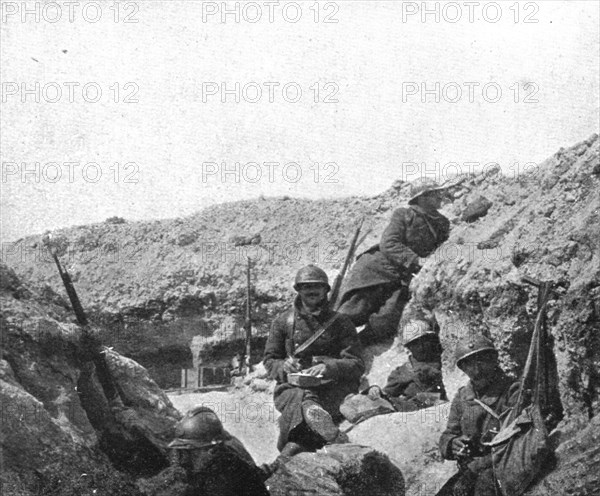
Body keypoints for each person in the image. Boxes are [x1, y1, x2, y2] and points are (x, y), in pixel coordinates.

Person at [263, 264, 364, 463]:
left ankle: (287, 453)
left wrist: (330, 367)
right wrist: (283, 366)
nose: (311, 291)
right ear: (298, 290)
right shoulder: (282, 322)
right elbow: (270, 359)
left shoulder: (341, 322)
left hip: (331, 388)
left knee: (302, 407)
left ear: (326, 290)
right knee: (299, 398)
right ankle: (320, 425)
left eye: (317, 286)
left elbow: (356, 363)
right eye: (305, 286)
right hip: (292, 387)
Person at [337, 180, 451, 345]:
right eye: (434, 193)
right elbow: (389, 244)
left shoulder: (442, 223)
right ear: (422, 198)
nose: (440, 196)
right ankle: (326, 348)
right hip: (375, 270)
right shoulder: (404, 215)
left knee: (386, 320)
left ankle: (355, 346)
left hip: (401, 278)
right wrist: (416, 260)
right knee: (352, 312)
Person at [437, 335, 519, 496]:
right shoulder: (462, 397)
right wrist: (453, 444)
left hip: (501, 465)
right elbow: (448, 434)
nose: (477, 370)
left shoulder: (512, 391)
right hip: (471, 469)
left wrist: (476, 467)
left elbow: (517, 439)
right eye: (469, 364)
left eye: (482, 361)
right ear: (463, 369)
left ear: (494, 360)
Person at [167, 406, 269, 496]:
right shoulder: (220, 465)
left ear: (211, 450)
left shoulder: (225, 479)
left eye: (192, 452)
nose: (185, 459)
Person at [376, 319, 447, 411]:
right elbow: (386, 395)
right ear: (409, 347)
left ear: (431, 339)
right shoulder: (405, 370)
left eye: (424, 341)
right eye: (415, 344)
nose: (421, 347)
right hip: (416, 408)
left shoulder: (444, 360)